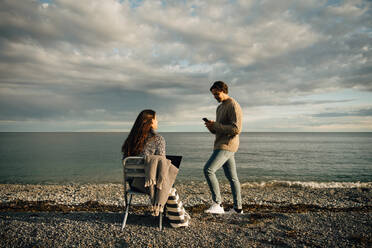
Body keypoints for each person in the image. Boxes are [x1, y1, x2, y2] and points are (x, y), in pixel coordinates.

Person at [121, 109, 190, 227]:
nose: (158, 121)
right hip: (151, 185)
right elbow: (161, 163)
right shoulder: (158, 139)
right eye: (156, 119)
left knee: (165, 179)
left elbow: (125, 161)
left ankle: (178, 214)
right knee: (166, 179)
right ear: (150, 122)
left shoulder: (130, 140)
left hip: (133, 184)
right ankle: (179, 217)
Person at [203, 81, 243, 214]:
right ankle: (238, 209)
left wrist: (216, 126)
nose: (215, 97)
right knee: (232, 177)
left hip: (228, 145)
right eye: (213, 95)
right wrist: (211, 128)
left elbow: (236, 129)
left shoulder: (233, 105)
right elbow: (218, 130)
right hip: (220, 143)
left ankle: (217, 204)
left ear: (224, 90)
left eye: (217, 94)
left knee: (208, 170)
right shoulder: (219, 108)